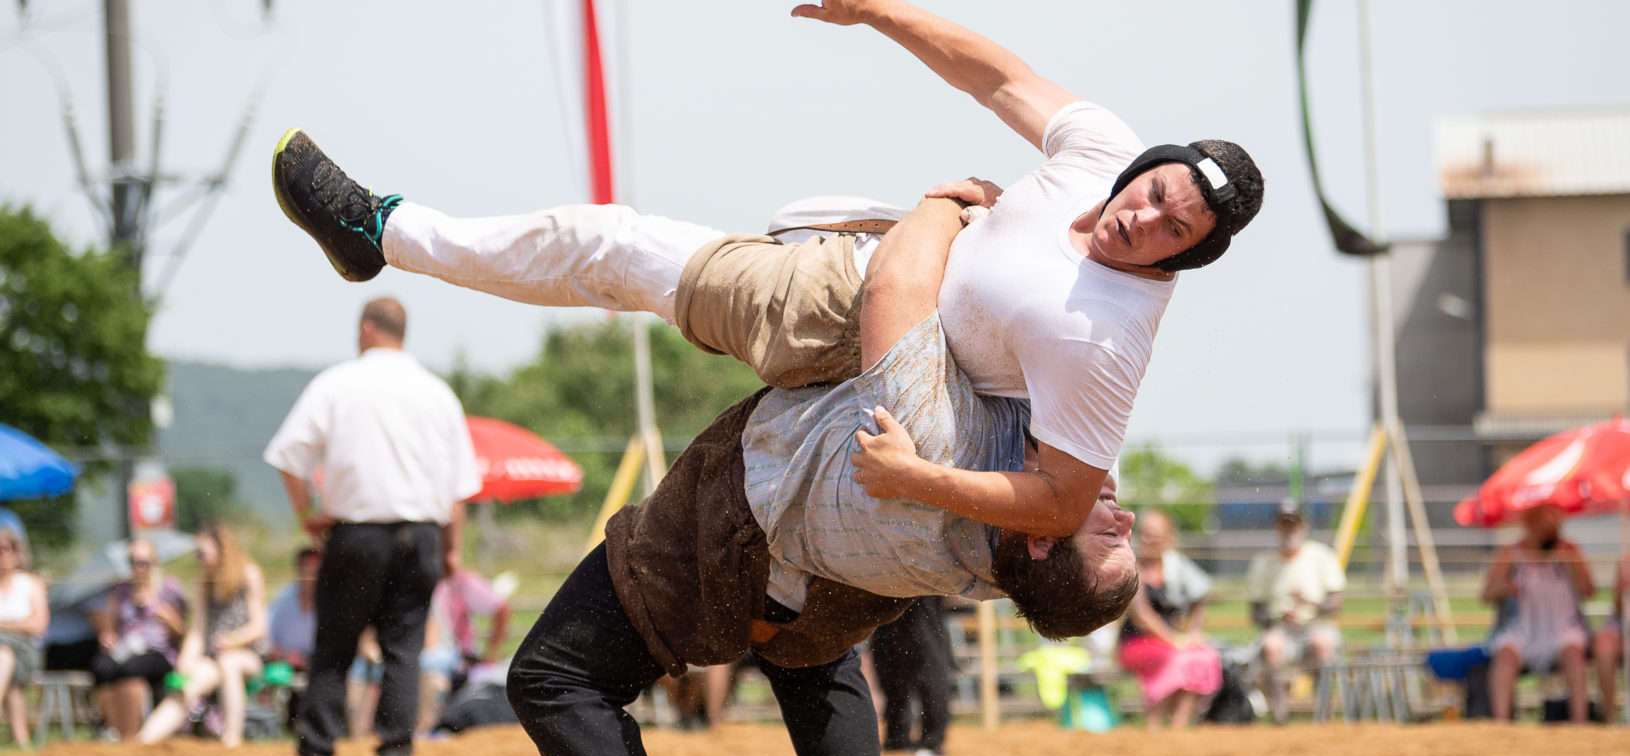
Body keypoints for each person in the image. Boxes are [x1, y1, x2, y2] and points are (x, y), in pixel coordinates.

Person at [270, 0, 1264, 544]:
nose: (1145, 218)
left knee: (610, 245)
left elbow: (1060, 499)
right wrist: (877, 10)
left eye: (1172, 228)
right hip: (858, 281)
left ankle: (383, 231)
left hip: (879, 353)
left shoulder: (1111, 333)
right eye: (1156, 192)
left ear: (1188, 253)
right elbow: (995, 74)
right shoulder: (1101, 150)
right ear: (1147, 165)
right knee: (641, 253)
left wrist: (921, 477)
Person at [506, 193, 1138, 756]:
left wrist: (945, 202)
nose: (1123, 513)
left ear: (1039, 535)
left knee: (552, 676)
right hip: (835, 597)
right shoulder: (1016, 533)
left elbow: (893, 284)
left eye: (1109, 532)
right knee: (813, 656)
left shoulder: (931, 447)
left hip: (732, 544)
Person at [264, 297, 481, 756]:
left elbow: (288, 455)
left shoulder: (337, 383)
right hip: (421, 535)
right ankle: (395, 754)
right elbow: (458, 490)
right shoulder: (437, 393)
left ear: (367, 328)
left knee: (335, 646)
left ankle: (317, 753)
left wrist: (308, 514)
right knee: (404, 649)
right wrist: (452, 550)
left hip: (356, 534)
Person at [137, 523, 269, 747]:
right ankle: (143, 740)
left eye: (202, 553)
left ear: (221, 549)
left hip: (249, 657)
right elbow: (197, 630)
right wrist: (185, 662)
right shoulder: (203, 583)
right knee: (187, 687)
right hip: (214, 657)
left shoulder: (249, 574)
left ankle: (232, 740)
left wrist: (234, 640)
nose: (198, 559)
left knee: (229, 663)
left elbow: (259, 627)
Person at [1481, 504, 1595, 723]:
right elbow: (1487, 594)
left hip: (1563, 627)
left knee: (1573, 655)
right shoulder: (1511, 553)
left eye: (1555, 526)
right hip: (1521, 628)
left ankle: (1580, 723)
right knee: (1505, 657)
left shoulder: (1569, 551)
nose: (1552, 531)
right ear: (1530, 525)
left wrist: (1573, 565)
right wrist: (1506, 587)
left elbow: (1588, 591)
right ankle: (1501, 723)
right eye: (1545, 526)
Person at [1116, 509, 1220, 731]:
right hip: (1135, 642)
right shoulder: (1133, 566)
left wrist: (1194, 632)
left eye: (1155, 534)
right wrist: (1176, 640)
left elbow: (1200, 598)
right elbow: (1142, 616)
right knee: (1179, 659)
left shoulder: (1176, 566)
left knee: (1205, 657)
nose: (1149, 539)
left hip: (1169, 642)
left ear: (1168, 536)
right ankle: (1153, 725)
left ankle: (1178, 727)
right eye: (1145, 533)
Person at [1246, 501, 1346, 724]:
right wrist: (1277, 617)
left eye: (1293, 524)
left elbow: (1335, 606)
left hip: (1317, 625)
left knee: (1322, 643)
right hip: (1281, 629)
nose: (1289, 530)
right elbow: (1256, 612)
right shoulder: (1263, 562)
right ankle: (1280, 717)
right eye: (1284, 524)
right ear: (1276, 527)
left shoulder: (1322, 556)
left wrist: (1309, 603)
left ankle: (1325, 715)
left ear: (1304, 526)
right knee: (1271, 644)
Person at [87, 539, 188, 741]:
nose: (138, 567)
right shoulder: (120, 591)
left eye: (143, 562)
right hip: (126, 650)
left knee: (131, 670)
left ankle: (130, 735)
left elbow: (185, 632)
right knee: (101, 668)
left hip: (158, 652)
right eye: (134, 562)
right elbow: (110, 627)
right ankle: (116, 731)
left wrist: (170, 620)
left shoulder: (169, 588)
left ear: (154, 562)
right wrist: (108, 636)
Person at [417, 565, 512, 734]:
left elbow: (502, 608)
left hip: (458, 660)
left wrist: (491, 655)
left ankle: (429, 731)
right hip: (430, 660)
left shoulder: (462, 582)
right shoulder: (415, 584)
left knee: (432, 666)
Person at [869, 595, 953, 756]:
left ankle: (932, 740)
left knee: (927, 649)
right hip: (885, 586)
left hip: (922, 588)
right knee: (888, 652)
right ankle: (897, 735)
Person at [0, 527, 49, 747]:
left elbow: (38, 625)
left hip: (27, 650)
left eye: (5, 548)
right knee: (7, 665)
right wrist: (18, 623)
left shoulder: (30, 583)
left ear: (16, 552)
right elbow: (29, 622)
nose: (2, 554)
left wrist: (3, 625)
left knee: (4, 654)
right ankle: (21, 741)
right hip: (9, 659)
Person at [266, 546, 321, 672]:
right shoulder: (283, 597)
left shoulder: (331, 602)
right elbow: (269, 638)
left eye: (315, 571)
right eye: (306, 570)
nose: (310, 577)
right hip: (284, 666)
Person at [1590, 556, 1628, 724]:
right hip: (1623, 625)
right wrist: (1623, 588)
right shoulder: (1627, 562)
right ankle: (1610, 720)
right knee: (1604, 645)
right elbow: (1618, 608)